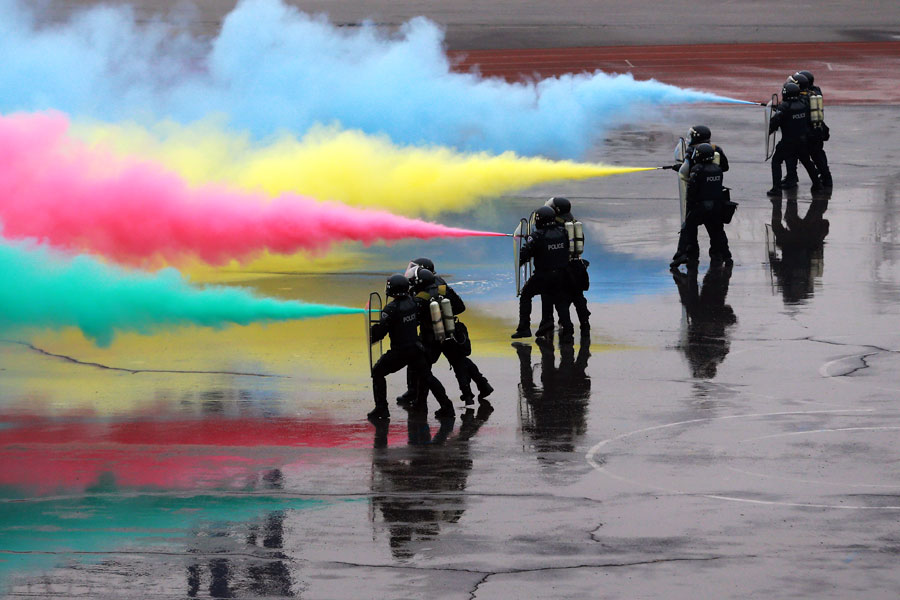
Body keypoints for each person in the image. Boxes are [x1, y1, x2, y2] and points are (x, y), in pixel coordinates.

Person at [402, 257, 493, 406]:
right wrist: (446, 315)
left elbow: (415, 317)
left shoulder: (421, 294)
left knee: (419, 365)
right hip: (451, 332)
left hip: (431, 336)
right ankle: (480, 387)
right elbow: (460, 307)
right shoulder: (441, 284)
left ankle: (417, 398)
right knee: (460, 361)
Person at [368, 274, 431, 421]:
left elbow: (380, 333)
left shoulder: (390, 309)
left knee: (377, 373)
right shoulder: (413, 302)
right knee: (426, 377)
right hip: (416, 349)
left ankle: (381, 409)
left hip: (400, 352)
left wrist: (372, 331)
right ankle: (423, 404)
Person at [511, 205, 574, 342]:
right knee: (561, 303)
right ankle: (568, 330)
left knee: (526, 295)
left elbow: (524, 255)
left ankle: (524, 328)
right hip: (561, 275)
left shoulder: (537, 236)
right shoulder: (563, 232)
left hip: (543, 276)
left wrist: (528, 241)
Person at [670, 143, 732, 269]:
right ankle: (726, 256)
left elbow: (692, 190)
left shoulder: (697, 170)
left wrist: (689, 208)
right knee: (717, 232)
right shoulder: (717, 169)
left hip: (700, 207)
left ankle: (684, 255)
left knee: (688, 230)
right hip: (716, 207)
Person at [546, 196, 591, 337]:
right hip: (578, 266)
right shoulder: (575, 225)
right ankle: (585, 325)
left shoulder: (557, 227)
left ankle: (567, 328)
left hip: (563, 268)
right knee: (578, 297)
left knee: (561, 300)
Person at [768, 81, 820, 196]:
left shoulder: (784, 107)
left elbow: (775, 122)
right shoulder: (803, 104)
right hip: (802, 141)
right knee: (807, 162)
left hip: (788, 142)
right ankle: (817, 184)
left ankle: (776, 189)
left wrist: (771, 125)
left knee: (776, 161)